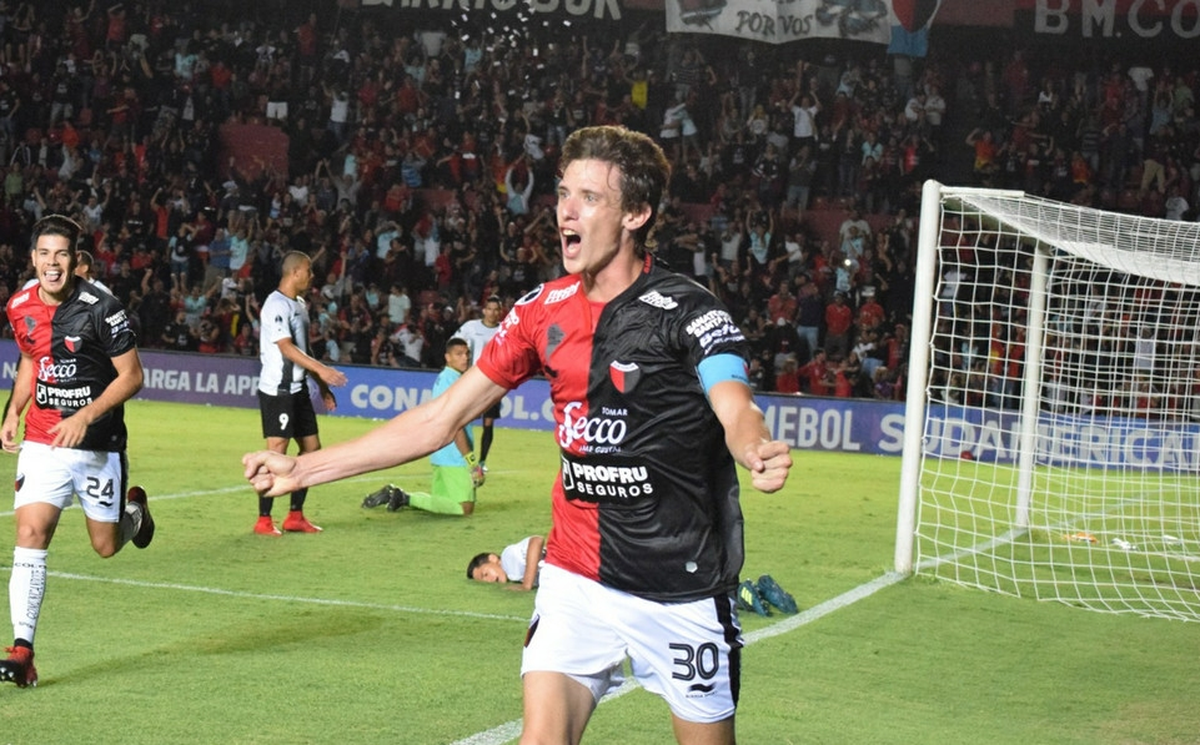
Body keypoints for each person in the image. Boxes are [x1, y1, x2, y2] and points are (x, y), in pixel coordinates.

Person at [244, 125, 793, 743]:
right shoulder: (540, 311)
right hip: (576, 577)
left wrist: (751, 445)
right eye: (563, 192)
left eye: (589, 196)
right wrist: (304, 470)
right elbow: (438, 418)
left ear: (637, 213)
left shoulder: (690, 311)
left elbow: (733, 400)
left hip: (682, 588)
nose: (565, 209)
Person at [0, 215, 154, 688]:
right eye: (44, 254)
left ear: (75, 260)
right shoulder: (19, 305)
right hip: (43, 439)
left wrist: (85, 416)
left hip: (96, 445)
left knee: (104, 546)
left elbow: (133, 376)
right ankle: (22, 652)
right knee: (30, 533)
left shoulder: (102, 309)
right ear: (33, 258)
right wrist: (12, 411)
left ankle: (136, 513)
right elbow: (30, 358)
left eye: (61, 255)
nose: (52, 263)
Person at [253, 250, 347, 536]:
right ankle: (264, 520)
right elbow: (286, 348)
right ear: (294, 272)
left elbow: (305, 350)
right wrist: (323, 369)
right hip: (278, 391)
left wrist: (322, 385)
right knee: (276, 452)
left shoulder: (300, 304)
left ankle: (295, 515)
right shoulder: (275, 305)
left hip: (300, 390)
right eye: (309, 270)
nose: (312, 275)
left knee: (312, 449)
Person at [360, 338, 485, 516]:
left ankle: (399, 497)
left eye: (467, 354)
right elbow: (454, 425)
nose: (465, 358)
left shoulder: (446, 378)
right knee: (464, 508)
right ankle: (402, 496)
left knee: (442, 504)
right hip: (454, 455)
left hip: (440, 451)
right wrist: (471, 462)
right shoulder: (453, 382)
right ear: (447, 357)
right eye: (459, 354)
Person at [451, 294, 504, 471]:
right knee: (462, 417)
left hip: (493, 383)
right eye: (489, 309)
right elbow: (454, 343)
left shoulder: (505, 329)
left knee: (488, 423)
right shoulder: (470, 327)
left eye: (496, 310)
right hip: (472, 380)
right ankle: (462, 454)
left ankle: (482, 461)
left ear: (500, 312)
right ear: (484, 310)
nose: (492, 313)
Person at [467, 535, 546, 591]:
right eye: (485, 581)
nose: (489, 580)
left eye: (485, 574)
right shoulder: (511, 575)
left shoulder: (507, 557)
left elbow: (536, 540)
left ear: (492, 558)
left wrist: (526, 585)